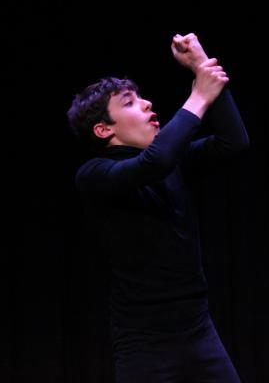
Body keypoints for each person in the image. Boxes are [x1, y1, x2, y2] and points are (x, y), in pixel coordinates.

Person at [67, 33, 249, 383]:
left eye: (141, 97)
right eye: (130, 102)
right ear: (103, 129)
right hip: (144, 345)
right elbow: (155, 162)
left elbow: (234, 142)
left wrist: (201, 66)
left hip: (198, 330)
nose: (147, 104)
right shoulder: (94, 174)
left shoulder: (173, 163)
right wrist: (198, 97)